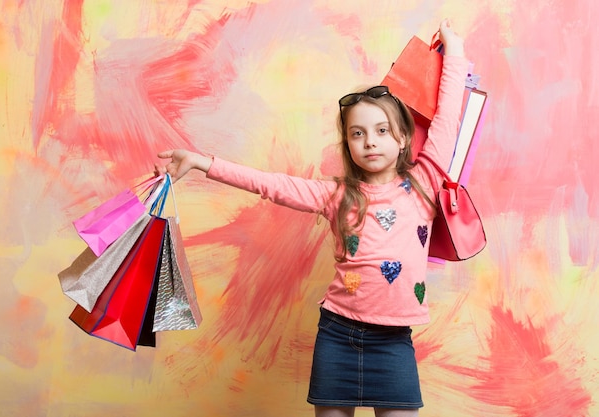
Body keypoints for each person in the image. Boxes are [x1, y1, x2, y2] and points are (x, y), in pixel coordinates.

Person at [156, 19, 467, 417]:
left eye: (381, 130)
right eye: (357, 133)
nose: (370, 141)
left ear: (403, 137)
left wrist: (454, 52)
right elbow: (268, 184)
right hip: (338, 334)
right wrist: (202, 162)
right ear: (348, 143)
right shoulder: (336, 195)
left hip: (393, 343)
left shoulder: (424, 181)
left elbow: (448, 118)